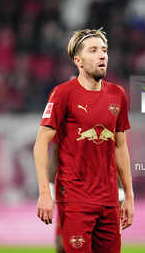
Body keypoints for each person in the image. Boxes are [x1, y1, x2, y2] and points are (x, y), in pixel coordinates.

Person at [33, 28, 134, 253]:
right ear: (78, 61)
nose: (102, 55)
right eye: (94, 50)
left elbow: (120, 146)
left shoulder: (118, 95)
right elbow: (42, 143)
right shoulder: (62, 94)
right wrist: (44, 192)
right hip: (75, 200)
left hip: (108, 202)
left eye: (104, 50)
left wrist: (128, 195)